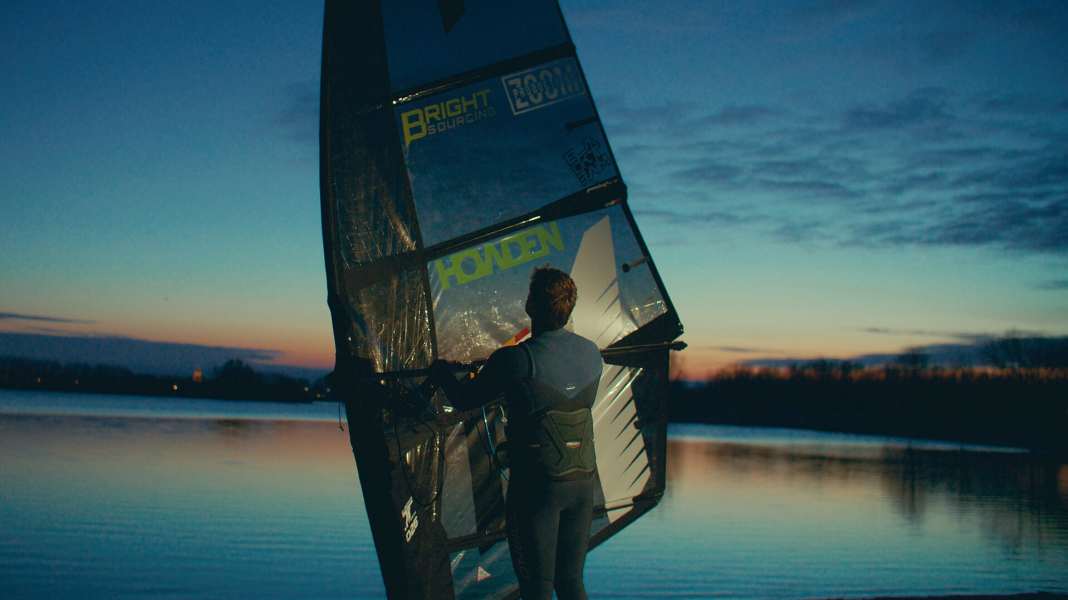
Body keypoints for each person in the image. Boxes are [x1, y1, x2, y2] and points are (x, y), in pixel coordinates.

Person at [430, 266, 603, 600]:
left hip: (538, 489)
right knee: (570, 582)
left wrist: (441, 372)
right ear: (569, 308)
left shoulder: (514, 359)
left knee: (536, 588)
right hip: (582, 484)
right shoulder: (592, 354)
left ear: (531, 305)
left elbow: (465, 399)